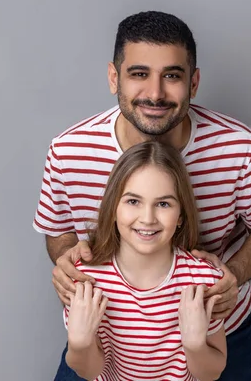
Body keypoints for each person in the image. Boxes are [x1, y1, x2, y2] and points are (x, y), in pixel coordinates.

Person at [33, 11, 251, 380]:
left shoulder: (241, 148)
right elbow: (57, 230)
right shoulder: (69, 151)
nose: (155, 93)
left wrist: (231, 276)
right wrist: (66, 263)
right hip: (110, 336)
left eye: (172, 76)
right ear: (114, 78)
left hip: (215, 328)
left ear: (194, 82)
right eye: (139, 74)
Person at [64, 140, 227, 381]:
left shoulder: (203, 280)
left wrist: (196, 347)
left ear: (180, 215)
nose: (148, 218)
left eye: (163, 204)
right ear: (113, 208)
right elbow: (90, 371)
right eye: (133, 201)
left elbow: (211, 373)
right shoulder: (87, 278)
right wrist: (79, 343)